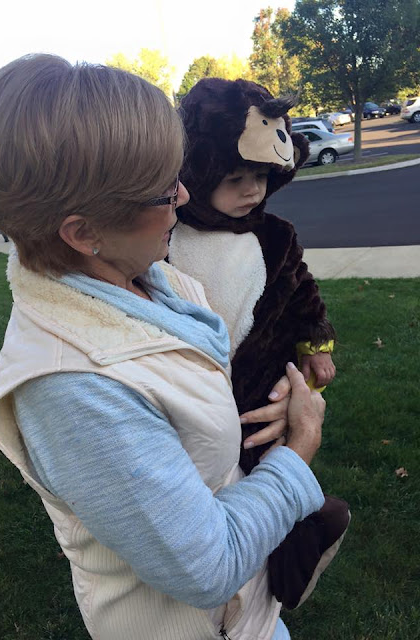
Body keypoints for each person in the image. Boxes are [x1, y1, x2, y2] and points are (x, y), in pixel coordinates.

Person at [0, 54, 326, 640]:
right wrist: (300, 444)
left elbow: (188, 409)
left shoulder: (155, 281)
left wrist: (274, 403)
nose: (184, 194)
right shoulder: (75, 391)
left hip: (251, 614)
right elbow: (208, 568)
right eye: (162, 189)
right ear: (83, 232)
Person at [169, 78, 349, 609]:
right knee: (211, 485)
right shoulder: (166, 233)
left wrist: (316, 346)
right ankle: (233, 563)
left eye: (262, 176)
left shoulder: (275, 235)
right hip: (195, 383)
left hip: (261, 382)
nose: (251, 190)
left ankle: (297, 551)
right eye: (235, 178)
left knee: (271, 466)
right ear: (197, 174)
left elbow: (303, 296)